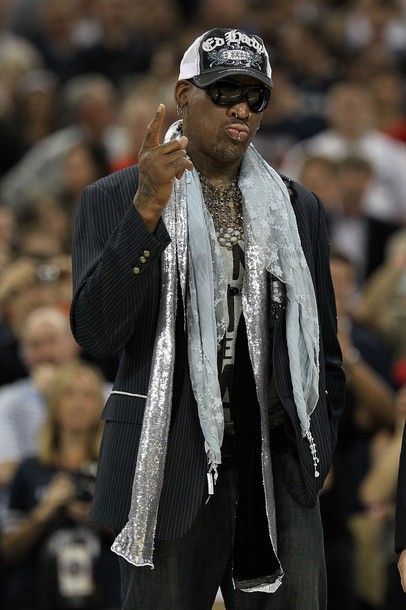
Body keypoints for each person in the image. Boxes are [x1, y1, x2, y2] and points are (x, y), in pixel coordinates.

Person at [70, 27, 346, 610]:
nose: (241, 108)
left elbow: (323, 345)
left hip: (275, 464)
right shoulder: (115, 197)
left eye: (256, 96)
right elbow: (96, 332)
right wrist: (147, 207)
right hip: (166, 465)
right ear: (185, 94)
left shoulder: (299, 207)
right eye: (224, 92)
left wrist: (315, 447)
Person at [1, 360, 120, 610]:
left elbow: (139, 545)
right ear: (53, 403)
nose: (78, 404)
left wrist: (99, 518)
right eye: (69, 394)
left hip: (106, 596)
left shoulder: (115, 469)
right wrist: (43, 514)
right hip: (37, 596)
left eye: (88, 395)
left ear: (101, 404)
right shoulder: (30, 469)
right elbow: (7, 551)